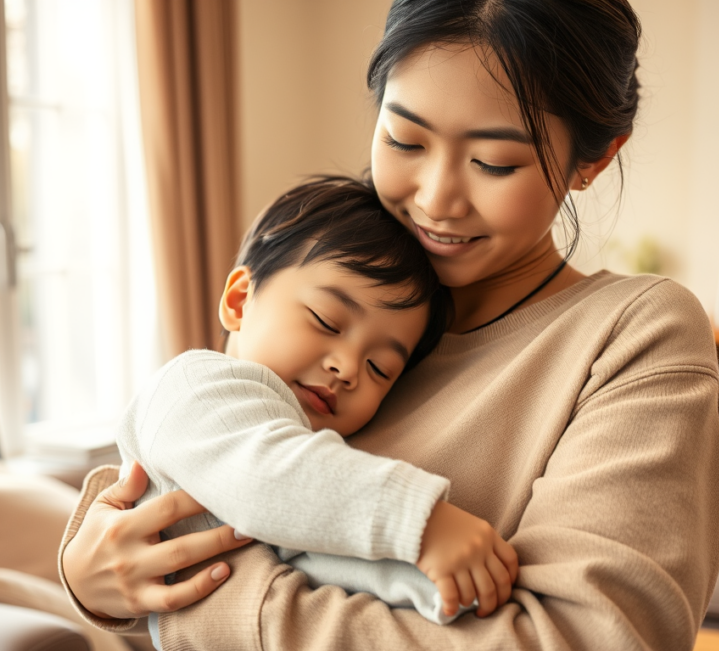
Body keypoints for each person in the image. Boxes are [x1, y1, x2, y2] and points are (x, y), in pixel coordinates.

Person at [60, 1, 719, 648]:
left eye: (494, 162)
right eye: (404, 138)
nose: (435, 198)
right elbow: (197, 473)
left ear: (596, 158)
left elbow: (586, 639)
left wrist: (197, 601)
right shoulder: (328, 278)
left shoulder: (635, 334)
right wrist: (93, 580)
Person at [118, 177, 517, 637]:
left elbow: (325, 559)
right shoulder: (192, 386)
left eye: (379, 368)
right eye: (327, 321)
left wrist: (449, 589)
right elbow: (267, 476)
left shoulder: (307, 482)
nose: (348, 368)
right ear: (239, 300)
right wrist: (420, 521)